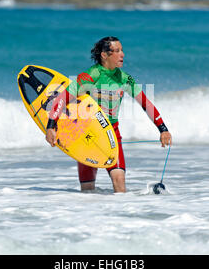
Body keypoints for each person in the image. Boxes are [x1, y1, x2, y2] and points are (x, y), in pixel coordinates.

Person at [45, 36, 172, 193]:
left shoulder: (125, 79)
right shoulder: (91, 75)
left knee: (119, 182)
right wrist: (51, 125)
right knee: (87, 190)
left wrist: (163, 129)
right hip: (87, 136)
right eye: (117, 51)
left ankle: (119, 216)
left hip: (112, 134)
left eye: (122, 50)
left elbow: (146, 104)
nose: (122, 54)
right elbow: (62, 99)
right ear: (104, 55)